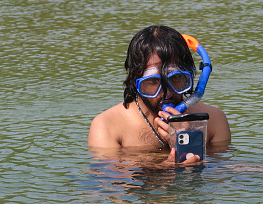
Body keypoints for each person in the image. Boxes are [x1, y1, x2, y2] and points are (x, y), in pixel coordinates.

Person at [88, 25, 231, 162]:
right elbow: (108, 182)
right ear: (133, 81)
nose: (166, 92)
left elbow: (221, 176)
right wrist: (169, 165)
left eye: (175, 79)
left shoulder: (212, 120)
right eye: (153, 81)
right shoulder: (107, 126)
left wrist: (188, 144)